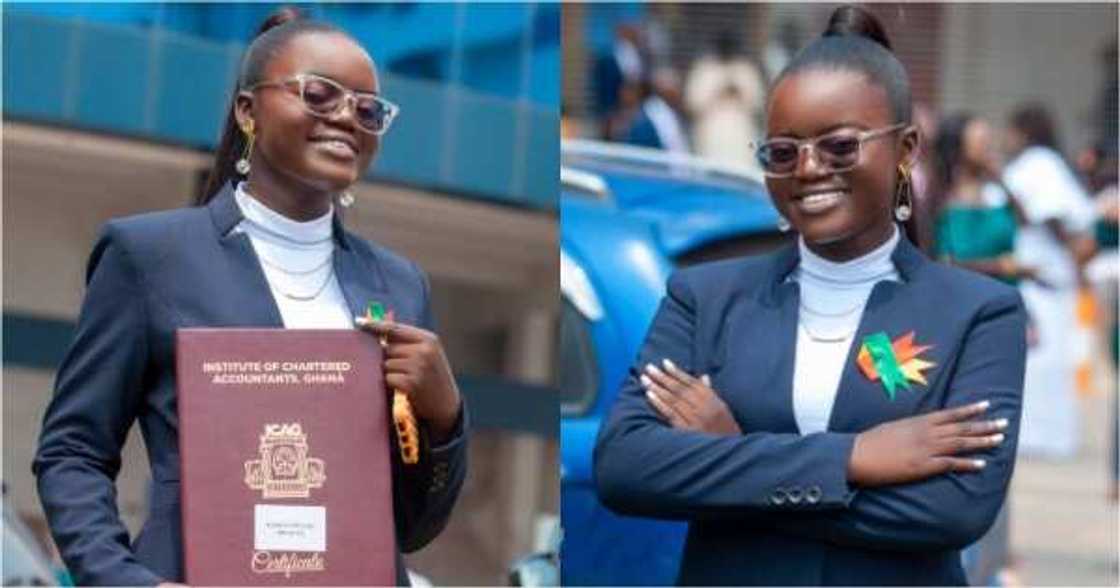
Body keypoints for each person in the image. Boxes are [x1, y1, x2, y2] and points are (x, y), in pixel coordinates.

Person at [593, 6, 1027, 585]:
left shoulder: (977, 312)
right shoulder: (705, 297)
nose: (809, 168)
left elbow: (955, 510)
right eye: (782, 152)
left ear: (905, 149)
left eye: (840, 147)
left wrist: (737, 457)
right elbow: (625, 467)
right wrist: (851, 459)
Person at [32, 9, 467, 585]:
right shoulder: (151, 255)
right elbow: (72, 451)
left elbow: (410, 528)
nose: (346, 117)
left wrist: (444, 418)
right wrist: (123, 579)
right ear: (248, 110)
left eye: (367, 109)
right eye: (319, 94)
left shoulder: (399, 285)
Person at [1002, 103, 1096, 458]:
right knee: (1047, 362)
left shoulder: (1039, 164)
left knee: (1041, 360)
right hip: (1044, 278)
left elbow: (1052, 214)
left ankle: (1039, 436)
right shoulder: (1046, 165)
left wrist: (1071, 254)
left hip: (1042, 275)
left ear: (1024, 131)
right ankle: (1043, 435)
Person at [930, 112, 1042, 286]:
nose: (989, 147)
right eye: (982, 142)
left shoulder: (995, 194)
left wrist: (1001, 181)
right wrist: (997, 267)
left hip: (1006, 298)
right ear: (959, 148)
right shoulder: (942, 200)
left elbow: (1026, 223)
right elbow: (943, 262)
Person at [683, 31, 766, 170]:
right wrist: (717, 92)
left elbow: (758, 104)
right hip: (712, 133)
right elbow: (692, 104)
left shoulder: (745, 69)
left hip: (740, 133)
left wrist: (739, 92)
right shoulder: (704, 69)